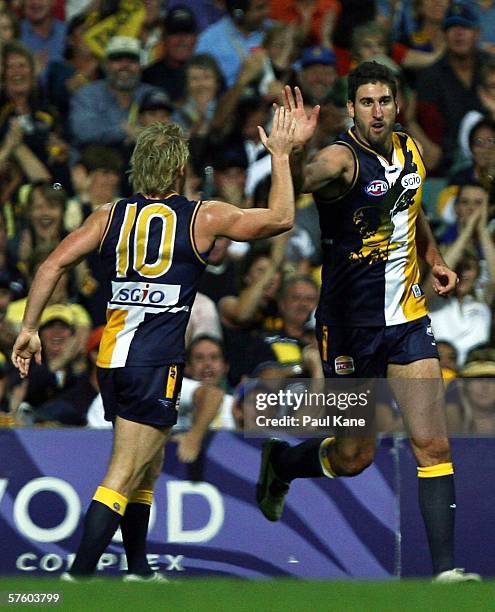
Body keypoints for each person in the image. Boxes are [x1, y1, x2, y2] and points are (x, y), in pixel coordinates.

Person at [11, 111, 297, 579]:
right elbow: (281, 218)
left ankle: (139, 569)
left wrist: (29, 327)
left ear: (137, 168)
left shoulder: (108, 215)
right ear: (181, 169)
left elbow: (50, 266)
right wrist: (281, 157)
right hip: (154, 358)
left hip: (112, 357)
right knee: (124, 471)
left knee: (148, 462)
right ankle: (77, 578)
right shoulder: (202, 216)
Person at [256, 62, 481, 582]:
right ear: (351, 109)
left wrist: (435, 258)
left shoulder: (408, 149)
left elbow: (412, 204)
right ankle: (284, 464)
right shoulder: (341, 159)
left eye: (384, 101)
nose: (377, 112)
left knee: (434, 444)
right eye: (366, 103)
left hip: (406, 320)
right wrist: (291, 153)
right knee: (355, 456)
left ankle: (445, 574)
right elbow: (310, 177)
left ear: (396, 105)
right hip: (349, 331)